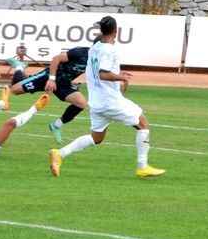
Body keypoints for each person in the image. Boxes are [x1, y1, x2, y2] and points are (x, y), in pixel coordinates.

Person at [48, 16, 164, 179]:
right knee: (143, 124)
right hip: (110, 101)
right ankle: (142, 166)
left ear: (101, 30)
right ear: (116, 31)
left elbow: (98, 70)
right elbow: (103, 74)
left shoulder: (94, 48)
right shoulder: (109, 49)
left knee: (96, 138)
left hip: (96, 103)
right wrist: (120, 77)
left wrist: (117, 74)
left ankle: (59, 154)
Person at [9, 46, 90, 144]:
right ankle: (19, 66)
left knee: (81, 103)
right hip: (48, 77)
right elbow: (56, 59)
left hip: (64, 83)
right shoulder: (81, 52)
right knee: (14, 90)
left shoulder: (99, 60)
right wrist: (51, 79)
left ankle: (56, 125)